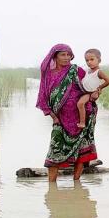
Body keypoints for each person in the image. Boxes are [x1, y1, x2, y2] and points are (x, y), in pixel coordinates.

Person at [36, 44, 99, 182]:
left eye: (68, 55)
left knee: (81, 154)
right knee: (54, 153)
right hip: (60, 119)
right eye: (62, 55)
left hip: (82, 118)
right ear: (55, 56)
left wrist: (96, 93)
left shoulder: (76, 70)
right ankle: (51, 186)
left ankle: (77, 185)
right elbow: (43, 97)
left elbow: (92, 84)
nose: (66, 58)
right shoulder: (48, 75)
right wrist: (53, 116)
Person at [77, 49, 109, 128]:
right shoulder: (88, 71)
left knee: (80, 103)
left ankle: (82, 122)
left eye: (92, 59)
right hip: (84, 91)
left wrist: (99, 88)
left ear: (99, 60)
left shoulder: (99, 72)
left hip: (90, 93)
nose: (89, 62)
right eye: (87, 60)